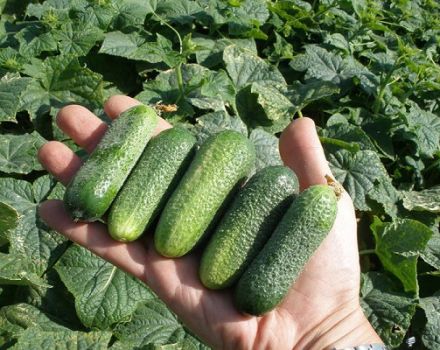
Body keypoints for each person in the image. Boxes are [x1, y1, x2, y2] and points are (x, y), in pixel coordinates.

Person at [38, 95, 385, 349]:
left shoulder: (313, 205)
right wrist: (333, 331)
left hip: (269, 304)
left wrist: (331, 329)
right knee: (139, 223)